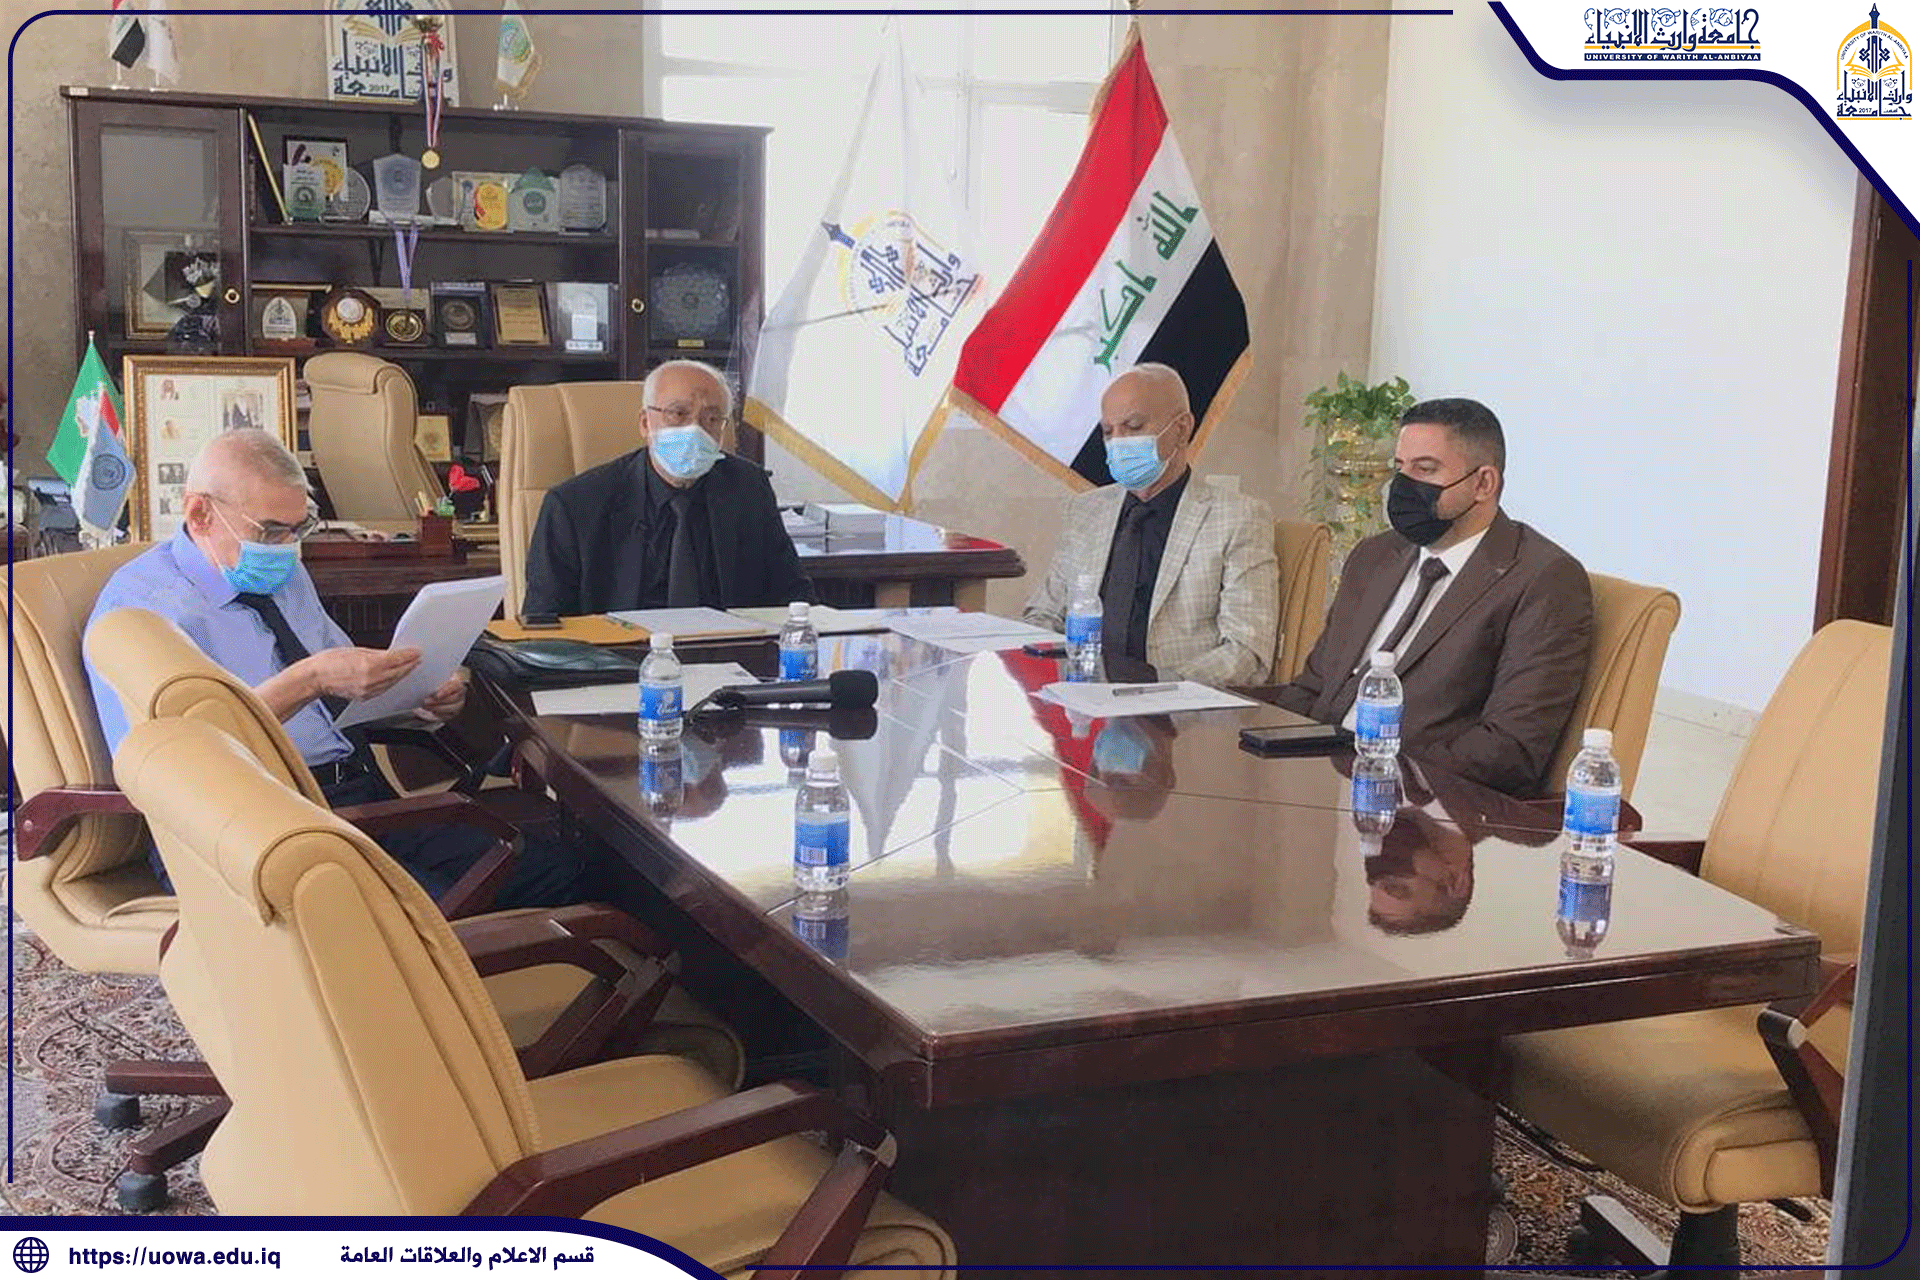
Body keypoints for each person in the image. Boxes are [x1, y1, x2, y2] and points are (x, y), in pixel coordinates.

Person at [85, 429, 589, 909]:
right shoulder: (140, 611)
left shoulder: (282, 574)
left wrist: (415, 701)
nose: (286, 548)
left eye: (299, 528)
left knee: (565, 870)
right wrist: (309, 680)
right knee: (428, 917)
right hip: (253, 825)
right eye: (272, 530)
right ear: (200, 514)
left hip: (356, 797)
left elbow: (340, 700)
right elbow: (170, 760)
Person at [1260, 397, 1592, 797]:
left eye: (1426, 469)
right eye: (1399, 468)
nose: (1403, 486)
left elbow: (1508, 750)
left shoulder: (1542, 579)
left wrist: (1376, 773)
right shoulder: (1374, 557)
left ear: (1483, 484)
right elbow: (1313, 688)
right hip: (1315, 783)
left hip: (1423, 807)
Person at [1023, 364, 1278, 686]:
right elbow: (1042, 615)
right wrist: (1059, 676)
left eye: (1133, 426)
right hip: (1083, 693)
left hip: (1178, 705)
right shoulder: (1086, 511)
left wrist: (1156, 687)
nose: (1118, 442)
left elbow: (1246, 652)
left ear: (1182, 429)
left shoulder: (1238, 518)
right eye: (1108, 432)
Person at [521, 359, 811, 617]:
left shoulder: (748, 489)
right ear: (645, 423)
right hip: (619, 657)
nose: (695, 429)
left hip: (727, 653)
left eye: (711, 419)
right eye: (678, 413)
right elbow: (545, 626)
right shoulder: (575, 505)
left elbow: (794, 597)